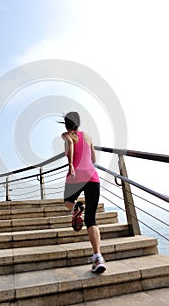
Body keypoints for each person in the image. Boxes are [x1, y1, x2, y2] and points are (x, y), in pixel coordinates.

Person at [61, 111, 106, 274]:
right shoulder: (88, 136)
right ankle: (98, 257)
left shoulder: (66, 135)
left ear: (66, 125)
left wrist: (71, 164)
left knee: (67, 202)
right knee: (91, 219)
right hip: (93, 177)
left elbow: (71, 145)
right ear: (78, 123)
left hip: (76, 176)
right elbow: (93, 159)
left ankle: (75, 208)